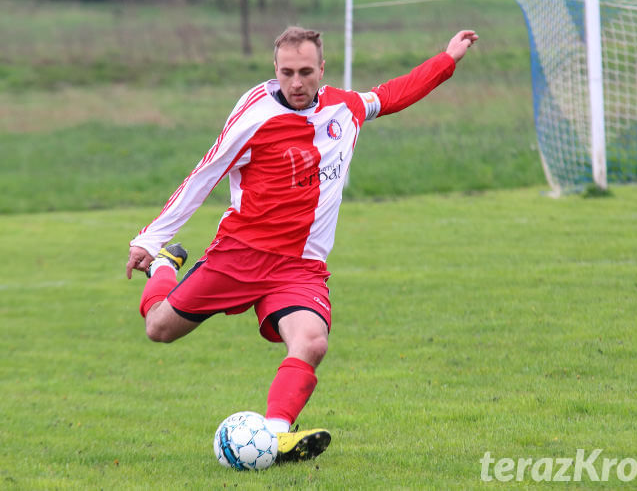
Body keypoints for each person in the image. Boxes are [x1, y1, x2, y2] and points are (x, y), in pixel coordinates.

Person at [126, 26, 478, 464]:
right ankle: (164, 266)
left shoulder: (342, 109)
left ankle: (275, 439)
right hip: (239, 255)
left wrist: (447, 60)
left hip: (299, 266)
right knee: (159, 328)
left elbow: (391, 95)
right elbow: (203, 176)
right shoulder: (255, 119)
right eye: (287, 72)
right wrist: (151, 239)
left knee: (311, 341)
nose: (296, 82)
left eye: (306, 72)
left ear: (321, 71)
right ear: (275, 70)